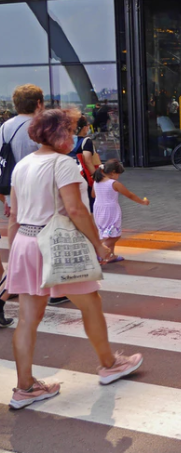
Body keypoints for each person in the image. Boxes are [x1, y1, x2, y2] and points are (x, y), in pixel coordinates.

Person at [6, 109, 143, 409]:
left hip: (25, 242)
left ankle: (24, 387)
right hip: (57, 244)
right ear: (59, 134)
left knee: (28, 318)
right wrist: (99, 245)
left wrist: (13, 256)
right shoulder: (62, 164)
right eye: (69, 130)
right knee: (91, 304)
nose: (74, 135)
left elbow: (13, 216)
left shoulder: (23, 165)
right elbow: (76, 210)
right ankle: (109, 364)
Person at [0, 84, 44, 329]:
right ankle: (9, 289)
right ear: (38, 103)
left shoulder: (5, 127)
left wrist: (6, 198)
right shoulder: (38, 126)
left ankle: (13, 286)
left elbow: (2, 161)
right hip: (37, 194)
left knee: (20, 245)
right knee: (33, 246)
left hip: (13, 191)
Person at [91, 159, 150, 265]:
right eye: (118, 174)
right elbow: (129, 195)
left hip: (98, 209)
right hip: (110, 211)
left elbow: (93, 195)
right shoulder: (113, 183)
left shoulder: (97, 181)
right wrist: (142, 202)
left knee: (106, 232)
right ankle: (100, 251)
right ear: (113, 172)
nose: (118, 177)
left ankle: (110, 255)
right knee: (115, 235)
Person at [68, 115, 100, 212]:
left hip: (68, 175)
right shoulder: (86, 141)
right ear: (84, 127)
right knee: (88, 205)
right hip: (83, 177)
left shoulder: (65, 141)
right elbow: (88, 161)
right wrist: (97, 177)